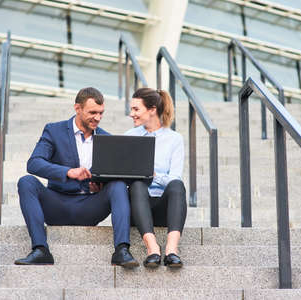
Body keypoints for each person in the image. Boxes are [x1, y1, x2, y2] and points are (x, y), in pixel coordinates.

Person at [15, 87, 139, 268]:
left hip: (89, 207)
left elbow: (114, 177)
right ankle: (40, 250)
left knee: (118, 185)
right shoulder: (54, 130)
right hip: (57, 204)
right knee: (26, 182)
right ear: (77, 108)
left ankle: (121, 250)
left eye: (101, 113)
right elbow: (34, 163)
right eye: (92, 112)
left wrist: (102, 185)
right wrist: (67, 172)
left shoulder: (106, 138)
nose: (97, 118)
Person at [125, 87, 187, 268]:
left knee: (176, 185)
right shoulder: (129, 137)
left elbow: (175, 177)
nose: (131, 114)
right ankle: (152, 249)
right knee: (137, 184)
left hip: (164, 208)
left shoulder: (174, 139)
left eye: (136, 109)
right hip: (137, 207)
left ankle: (172, 250)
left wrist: (153, 175)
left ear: (152, 109)